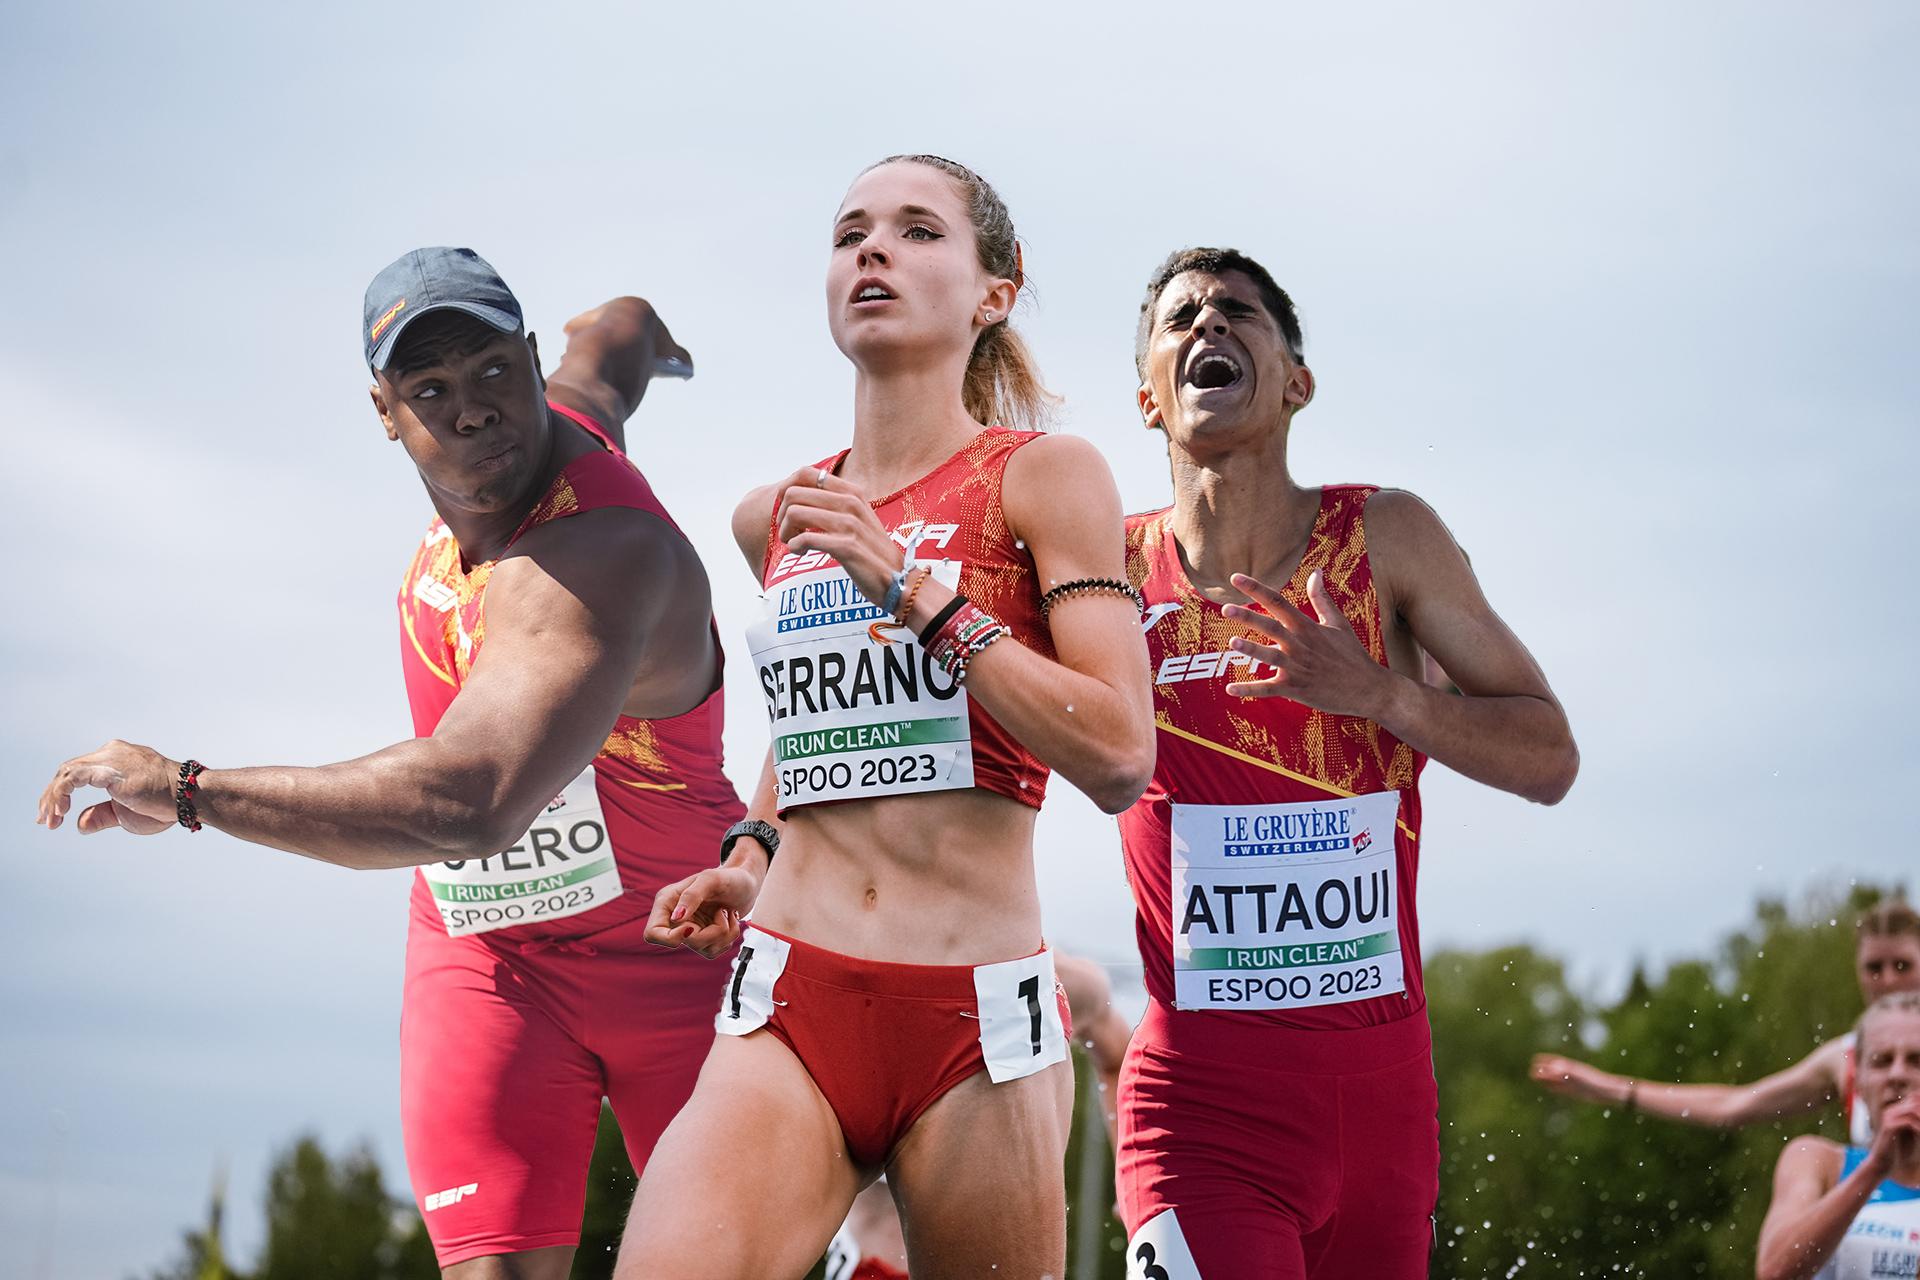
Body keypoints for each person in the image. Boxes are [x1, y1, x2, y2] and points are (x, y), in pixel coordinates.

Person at [37, 247, 744, 1279]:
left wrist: (189, 789)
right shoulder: (566, 393)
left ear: (527, 358)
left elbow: (471, 799)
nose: (472, 409)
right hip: (492, 959)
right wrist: (652, 335)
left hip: (678, 947)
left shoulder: (602, 554)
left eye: (496, 371)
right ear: (384, 409)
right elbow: (614, 337)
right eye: (430, 388)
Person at [614, 154, 1156, 1280]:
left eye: (918, 231)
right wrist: (752, 850)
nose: (872, 249)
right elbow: (815, 725)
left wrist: (916, 591)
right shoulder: (778, 512)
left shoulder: (1045, 477)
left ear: (993, 290)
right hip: (791, 993)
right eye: (850, 231)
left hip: (976, 1020)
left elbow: (1117, 750)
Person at [1113, 247, 1580, 1279]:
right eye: (1180, 316)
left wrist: (1382, 694)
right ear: (1147, 398)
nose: (1208, 327)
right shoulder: (1103, 565)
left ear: (1297, 382)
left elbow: (1550, 755)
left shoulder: (1386, 535)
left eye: (1238, 312)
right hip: (1199, 1109)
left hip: (1380, 1102)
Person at [820, 952, 1138, 1278]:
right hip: (869, 1252)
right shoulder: (837, 947)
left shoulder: (1043, 974)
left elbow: (1118, 1053)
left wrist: (1129, 1174)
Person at [1531, 899, 1920, 1143]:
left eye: (1902, 965)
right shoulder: (1845, 1057)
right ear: (1856, 970)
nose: (1887, 980)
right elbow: (1732, 1105)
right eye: (1874, 968)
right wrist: (1606, 1087)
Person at [1754, 991, 1920, 1280]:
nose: (1897, 1075)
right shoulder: (1817, 1160)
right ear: (1858, 1081)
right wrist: (1874, 1169)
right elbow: (1773, 1272)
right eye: (1882, 1061)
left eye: (1916, 1060)